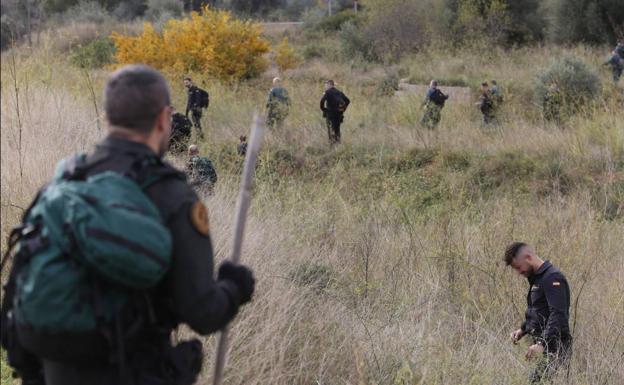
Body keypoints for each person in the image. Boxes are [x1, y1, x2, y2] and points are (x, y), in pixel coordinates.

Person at [1, 65, 254, 385]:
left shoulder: (67, 180)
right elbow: (202, 312)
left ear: (107, 118)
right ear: (164, 119)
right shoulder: (173, 195)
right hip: (129, 370)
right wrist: (235, 287)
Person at [504, 242, 572, 384]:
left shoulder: (553, 278)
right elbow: (539, 311)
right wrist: (523, 329)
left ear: (528, 257)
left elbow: (558, 315)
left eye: (518, 267)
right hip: (546, 347)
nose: (519, 272)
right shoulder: (538, 279)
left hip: (556, 348)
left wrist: (542, 343)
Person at [320, 79, 350, 145]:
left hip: (330, 115)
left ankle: (332, 146)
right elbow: (348, 100)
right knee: (337, 130)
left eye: (326, 84)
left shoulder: (327, 92)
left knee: (331, 131)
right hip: (339, 115)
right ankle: (338, 145)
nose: (325, 86)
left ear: (329, 85)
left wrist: (324, 110)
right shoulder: (339, 92)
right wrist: (343, 110)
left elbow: (322, 102)